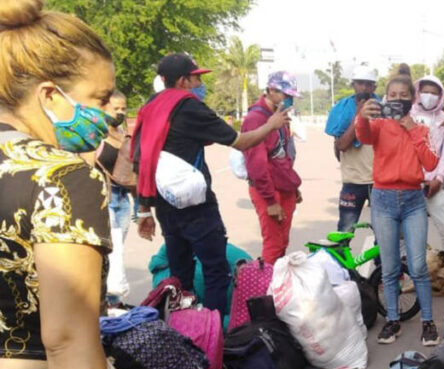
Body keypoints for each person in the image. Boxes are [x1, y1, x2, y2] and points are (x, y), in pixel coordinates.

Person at [0, 1, 142, 369]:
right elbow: (65, 338)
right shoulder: (61, 175)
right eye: (102, 97)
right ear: (52, 97)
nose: (111, 113)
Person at [132, 53, 289, 317]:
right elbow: (241, 141)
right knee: (216, 270)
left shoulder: (151, 106)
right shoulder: (188, 106)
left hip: (164, 204)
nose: (199, 84)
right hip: (196, 207)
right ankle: (212, 332)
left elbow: (141, 159)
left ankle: (183, 328)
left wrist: (145, 209)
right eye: (196, 78)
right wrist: (271, 125)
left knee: (180, 275)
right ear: (183, 80)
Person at [356, 73, 440, 346]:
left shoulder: (421, 128)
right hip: (383, 200)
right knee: (390, 267)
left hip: (414, 199)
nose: (398, 100)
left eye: (404, 96)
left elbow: (430, 161)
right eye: (393, 96)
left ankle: (428, 322)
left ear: (413, 99)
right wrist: (362, 115)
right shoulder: (378, 125)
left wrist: (412, 129)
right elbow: (363, 135)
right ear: (385, 98)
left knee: (417, 266)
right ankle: (393, 321)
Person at [242, 71, 303, 265]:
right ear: (270, 90)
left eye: (291, 96)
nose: (289, 100)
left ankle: (277, 285)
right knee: (273, 245)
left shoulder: (279, 117)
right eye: (286, 95)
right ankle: (267, 291)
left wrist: (293, 186)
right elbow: (256, 165)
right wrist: (270, 201)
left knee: (282, 243)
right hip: (268, 191)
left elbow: (283, 156)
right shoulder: (256, 119)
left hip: (284, 188)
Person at [325, 65, 379, 232]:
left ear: (374, 87)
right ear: (353, 85)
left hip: (380, 181)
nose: (364, 87)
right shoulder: (341, 109)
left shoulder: (383, 107)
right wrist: (359, 115)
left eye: (368, 84)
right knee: (345, 231)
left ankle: (381, 260)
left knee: (385, 233)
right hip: (353, 180)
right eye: (360, 83)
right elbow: (341, 145)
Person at [93, 90, 133, 307]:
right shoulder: (96, 135)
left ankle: (113, 303)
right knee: (110, 252)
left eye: (123, 109)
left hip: (123, 200)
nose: (119, 112)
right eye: (115, 108)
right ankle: (109, 301)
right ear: (104, 109)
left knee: (118, 252)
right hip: (104, 198)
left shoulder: (123, 133)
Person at [411, 75, 444, 256]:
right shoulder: (408, 117)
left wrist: (439, 179)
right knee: (414, 234)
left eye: (434, 93)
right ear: (418, 92)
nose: (429, 96)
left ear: (440, 96)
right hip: (411, 184)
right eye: (425, 92)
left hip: (435, 185)